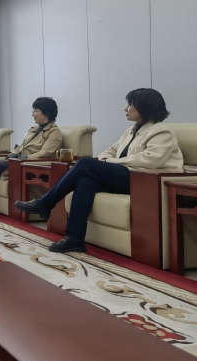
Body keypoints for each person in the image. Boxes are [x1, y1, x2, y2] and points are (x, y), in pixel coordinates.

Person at [15, 88, 183, 253]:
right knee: (85, 181)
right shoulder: (131, 131)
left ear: (144, 107)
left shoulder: (162, 131)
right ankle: (75, 238)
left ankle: (45, 203)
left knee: (85, 163)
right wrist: (108, 160)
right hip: (127, 175)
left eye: (130, 105)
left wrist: (112, 162)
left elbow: (151, 160)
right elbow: (108, 151)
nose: (126, 109)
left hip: (145, 181)